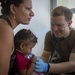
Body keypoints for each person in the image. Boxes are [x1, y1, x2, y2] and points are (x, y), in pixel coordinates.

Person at [34, 6, 75, 75]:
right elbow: (45, 56)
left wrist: (47, 67)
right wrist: (34, 61)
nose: (55, 29)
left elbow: (73, 65)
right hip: (64, 63)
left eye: (59, 25)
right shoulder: (50, 35)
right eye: (52, 24)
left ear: (69, 23)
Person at [0, 0, 34, 75]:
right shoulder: (5, 29)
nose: (32, 14)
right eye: (28, 8)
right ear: (13, 9)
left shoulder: (4, 24)